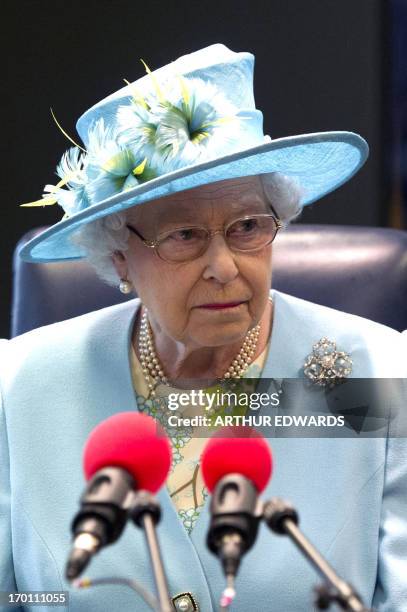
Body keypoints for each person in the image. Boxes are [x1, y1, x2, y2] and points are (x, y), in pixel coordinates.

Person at [0, 44, 406, 612]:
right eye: (183, 236)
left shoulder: (380, 379)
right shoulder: (19, 389)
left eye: (247, 226)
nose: (224, 266)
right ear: (120, 256)